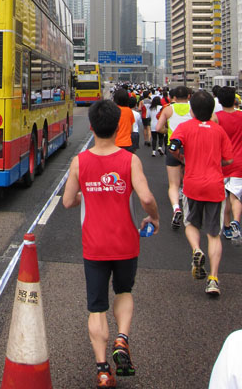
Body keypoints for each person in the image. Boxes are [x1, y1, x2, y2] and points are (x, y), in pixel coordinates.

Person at [63, 100, 159, 388]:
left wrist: (88, 195)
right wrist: (152, 217)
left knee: (96, 307)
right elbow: (145, 198)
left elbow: (68, 201)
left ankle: (103, 369)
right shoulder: (130, 161)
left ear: (91, 126)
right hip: (126, 243)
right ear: (119, 126)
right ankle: (122, 338)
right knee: (124, 290)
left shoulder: (80, 161)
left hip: (94, 245)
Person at [169, 90, 233, 297]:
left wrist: (183, 158)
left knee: (191, 224)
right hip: (215, 185)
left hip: (192, 184)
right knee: (214, 234)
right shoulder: (219, 131)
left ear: (192, 109)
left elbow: (172, 146)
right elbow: (229, 160)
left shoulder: (184, 127)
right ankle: (213, 279)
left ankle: (196, 250)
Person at [156, 85, 192, 229]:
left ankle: (176, 208)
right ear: (189, 96)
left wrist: (168, 130)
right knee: (188, 180)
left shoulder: (168, 109)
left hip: (173, 147)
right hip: (190, 148)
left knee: (173, 184)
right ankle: (189, 211)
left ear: (174, 98)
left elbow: (158, 128)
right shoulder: (193, 108)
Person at [215, 86, 242, 242]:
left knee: (223, 197)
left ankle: (226, 228)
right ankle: (236, 222)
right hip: (239, 162)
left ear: (219, 100)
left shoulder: (216, 118)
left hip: (222, 162)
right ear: (234, 100)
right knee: (236, 196)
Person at [113, 88, 135, 152]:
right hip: (127, 143)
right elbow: (131, 130)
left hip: (114, 144)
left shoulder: (113, 110)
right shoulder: (129, 111)